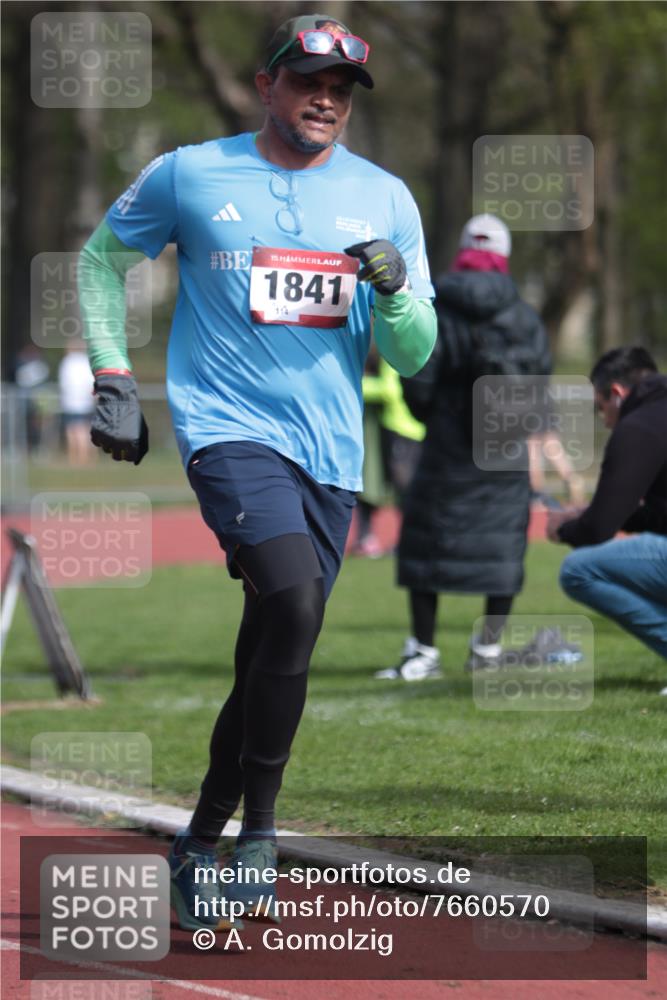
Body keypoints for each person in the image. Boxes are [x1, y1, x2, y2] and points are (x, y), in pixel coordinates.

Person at [78, 12, 436, 930]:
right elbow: (97, 262)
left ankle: (199, 837)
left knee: (276, 640)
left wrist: (394, 288)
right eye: (308, 79)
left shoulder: (386, 198)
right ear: (264, 84)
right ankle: (256, 840)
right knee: (294, 602)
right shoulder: (191, 172)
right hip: (226, 430)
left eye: (342, 88)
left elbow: (413, 354)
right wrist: (112, 372)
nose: (326, 98)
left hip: (329, 454)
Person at [376, 213, 551, 681]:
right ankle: (488, 650)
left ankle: (424, 651)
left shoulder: (438, 307)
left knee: (426, 548)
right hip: (505, 454)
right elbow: (540, 391)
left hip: (445, 449)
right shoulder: (525, 316)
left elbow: (418, 378)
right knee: (503, 549)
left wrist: (434, 418)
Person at [547, 347, 667, 661]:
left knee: (578, 570)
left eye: (601, 409)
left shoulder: (638, 426)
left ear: (616, 393)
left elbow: (598, 530)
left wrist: (565, 528)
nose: (606, 421)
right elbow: (659, 514)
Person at [351, 352, 425, 557]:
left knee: (405, 488)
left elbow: (390, 389)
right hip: (410, 428)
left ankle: (412, 541)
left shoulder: (395, 350)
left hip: (401, 428)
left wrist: (353, 385)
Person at [58, 340, 95, 465]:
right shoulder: (87, 362)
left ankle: (76, 458)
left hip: (70, 401)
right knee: (84, 429)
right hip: (85, 401)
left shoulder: (67, 362)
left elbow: (63, 383)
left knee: (73, 430)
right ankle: (85, 457)